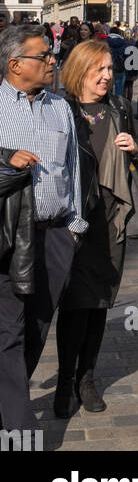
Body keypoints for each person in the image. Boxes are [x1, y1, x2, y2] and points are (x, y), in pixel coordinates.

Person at [0, 23, 87, 432]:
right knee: (9, 333)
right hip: (9, 236)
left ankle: (7, 402)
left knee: (35, 329)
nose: (54, 61)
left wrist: (74, 228)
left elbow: (73, 169)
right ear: (16, 64)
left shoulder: (60, 107)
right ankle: (19, 433)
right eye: (44, 56)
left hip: (55, 236)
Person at [54, 39, 138, 417]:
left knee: (100, 303)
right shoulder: (61, 110)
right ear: (80, 71)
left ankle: (86, 380)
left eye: (110, 69)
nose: (107, 76)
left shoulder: (119, 108)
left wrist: (136, 150)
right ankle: (65, 380)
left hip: (110, 220)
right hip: (73, 221)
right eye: (99, 70)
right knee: (75, 305)